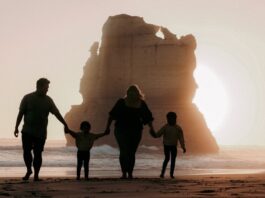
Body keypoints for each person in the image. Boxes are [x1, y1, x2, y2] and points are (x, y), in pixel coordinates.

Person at [14, 78, 68, 181]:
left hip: (41, 133)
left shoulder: (48, 100)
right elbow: (21, 113)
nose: (47, 90)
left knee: (38, 153)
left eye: (48, 88)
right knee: (26, 152)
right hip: (27, 131)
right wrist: (16, 127)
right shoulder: (27, 98)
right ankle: (29, 169)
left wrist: (65, 124)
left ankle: (36, 175)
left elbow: (57, 113)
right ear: (39, 86)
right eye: (46, 87)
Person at [105, 85, 154, 179]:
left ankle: (130, 173)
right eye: (129, 92)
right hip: (121, 130)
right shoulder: (121, 102)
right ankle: (124, 173)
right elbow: (111, 116)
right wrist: (107, 128)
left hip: (136, 130)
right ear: (127, 93)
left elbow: (148, 118)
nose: (131, 93)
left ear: (137, 93)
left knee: (131, 152)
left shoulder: (141, 103)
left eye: (134, 92)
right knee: (123, 151)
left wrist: (152, 129)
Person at [150, 112, 186, 179]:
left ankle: (171, 174)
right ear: (167, 119)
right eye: (169, 119)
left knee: (173, 160)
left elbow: (181, 138)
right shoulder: (165, 127)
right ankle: (162, 173)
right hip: (166, 145)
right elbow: (157, 135)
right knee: (167, 159)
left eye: (172, 119)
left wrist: (183, 146)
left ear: (175, 119)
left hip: (174, 146)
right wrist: (152, 132)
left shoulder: (178, 128)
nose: (170, 120)